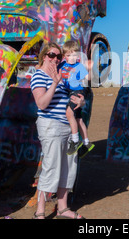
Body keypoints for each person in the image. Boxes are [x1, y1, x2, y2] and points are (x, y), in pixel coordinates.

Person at [30, 42, 85, 219]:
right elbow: (42, 104)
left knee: (69, 168)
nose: (55, 59)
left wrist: (80, 101)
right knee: (51, 167)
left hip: (67, 127)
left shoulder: (62, 76)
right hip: (50, 126)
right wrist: (54, 83)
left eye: (58, 56)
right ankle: (40, 211)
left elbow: (70, 99)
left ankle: (63, 207)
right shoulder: (38, 76)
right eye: (51, 55)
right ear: (44, 56)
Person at [59, 40, 94, 156]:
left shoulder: (79, 66)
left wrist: (90, 68)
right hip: (69, 92)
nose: (72, 58)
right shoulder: (62, 65)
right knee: (78, 119)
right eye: (69, 55)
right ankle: (86, 142)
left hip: (76, 91)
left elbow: (88, 78)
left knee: (69, 113)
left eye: (74, 55)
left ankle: (75, 140)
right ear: (64, 56)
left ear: (78, 55)